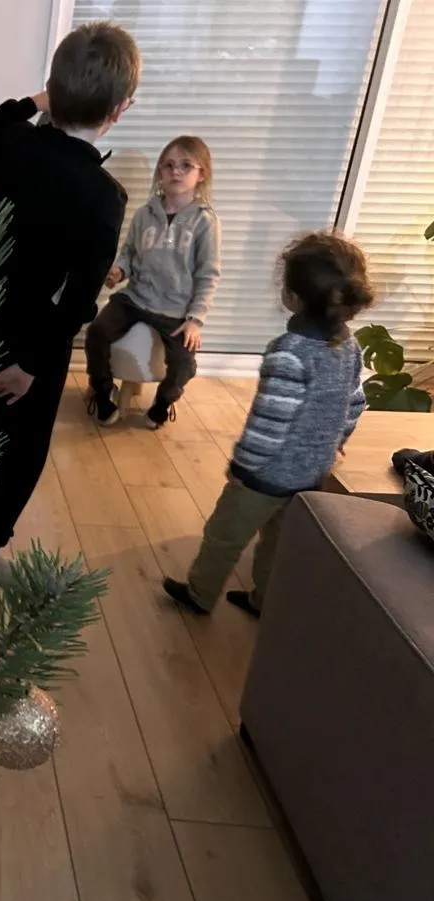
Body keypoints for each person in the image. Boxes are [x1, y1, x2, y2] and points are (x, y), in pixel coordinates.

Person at [0, 21, 139, 584]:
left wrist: (34, 101)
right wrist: (33, 364)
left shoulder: (14, 145)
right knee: (21, 449)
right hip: (39, 339)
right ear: (120, 109)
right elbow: (80, 296)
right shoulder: (104, 195)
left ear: (52, 91)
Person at [163, 232, 372, 618]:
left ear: (291, 296)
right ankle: (263, 601)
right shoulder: (350, 348)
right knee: (278, 542)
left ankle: (199, 595)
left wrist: (242, 469)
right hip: (313, 472)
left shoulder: (289, 353)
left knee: (224, 535)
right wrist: (336, 444)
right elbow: (356, 403)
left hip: (265, 477)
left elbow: (269, 423)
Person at [86, 136, 222, 428]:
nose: (176, 172)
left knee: (184, 362)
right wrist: (119, 271)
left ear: (202, 174)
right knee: (96, 331)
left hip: (175, 309)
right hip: (135, 298)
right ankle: (102, 391)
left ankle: (163, 403)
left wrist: (195, 319)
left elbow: (208, 274)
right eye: (168, 165)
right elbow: (129, 252)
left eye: (186, 166)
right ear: (160, 172)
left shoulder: (205, 222)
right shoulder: (144, 214)